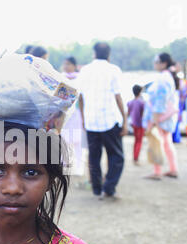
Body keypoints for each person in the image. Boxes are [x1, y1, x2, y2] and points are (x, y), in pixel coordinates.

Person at [77, 42, 128, 200]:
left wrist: (84, 119)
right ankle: (109, 188)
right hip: (109, 120)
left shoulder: (84, 71)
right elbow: (118, 96)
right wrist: (125, 119)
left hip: (91, 121)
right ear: (109, 54)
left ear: (94, 53)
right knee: (116, 156)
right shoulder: (113, 70)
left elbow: (80, 96)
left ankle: (97, 189)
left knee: (94, 156)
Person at [143, 53, 179, 180]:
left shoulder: (163, 78)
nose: (155, 64)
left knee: (156, 143)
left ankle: (157, 171)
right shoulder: (167, 77)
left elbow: (160, 100)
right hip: (164, 117)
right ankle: (173, 168)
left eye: (156, 61)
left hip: (159, 117)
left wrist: (155, 120)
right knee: (166, 143)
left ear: (163, 63)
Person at [61, 56, 88, 178]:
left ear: (74, 65)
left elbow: (81, 97)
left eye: (68, 64)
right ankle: (63, 165)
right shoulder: (60, 77)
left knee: (77, 141)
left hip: (76, 113)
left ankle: (78, 167)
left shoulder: (80, 78)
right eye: (65, 64)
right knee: (64, 140)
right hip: (64, 113)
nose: (66, 66)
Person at [127, 85, 145, 165]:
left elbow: (128, 114)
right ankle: (136, 158)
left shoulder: (130, 102)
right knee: (139, 141)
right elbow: (143, 114)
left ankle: (134, 157)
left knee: (136, 141)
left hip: (134, 124)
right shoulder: (142, 103)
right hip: (140, 124)